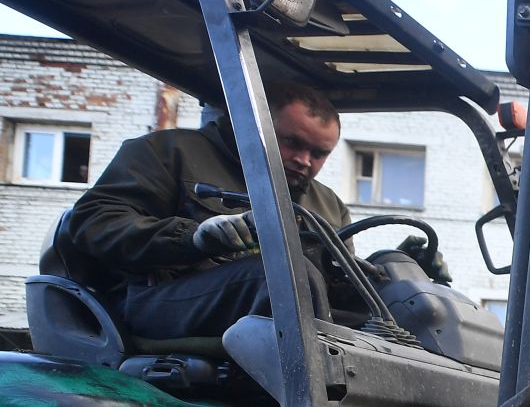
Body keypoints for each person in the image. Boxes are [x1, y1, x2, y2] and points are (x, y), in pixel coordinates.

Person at [56, 81, 436, 341]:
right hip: (164, 303)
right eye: (292, 143)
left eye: (319, 153)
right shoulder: (170, 153)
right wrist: (193, 237)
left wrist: (406, 275)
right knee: (283, 275)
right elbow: (93, 222)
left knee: (407, 302)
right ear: (254, 126)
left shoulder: (327, 204)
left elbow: (337, 287)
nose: (304, 160)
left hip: (284, 318)